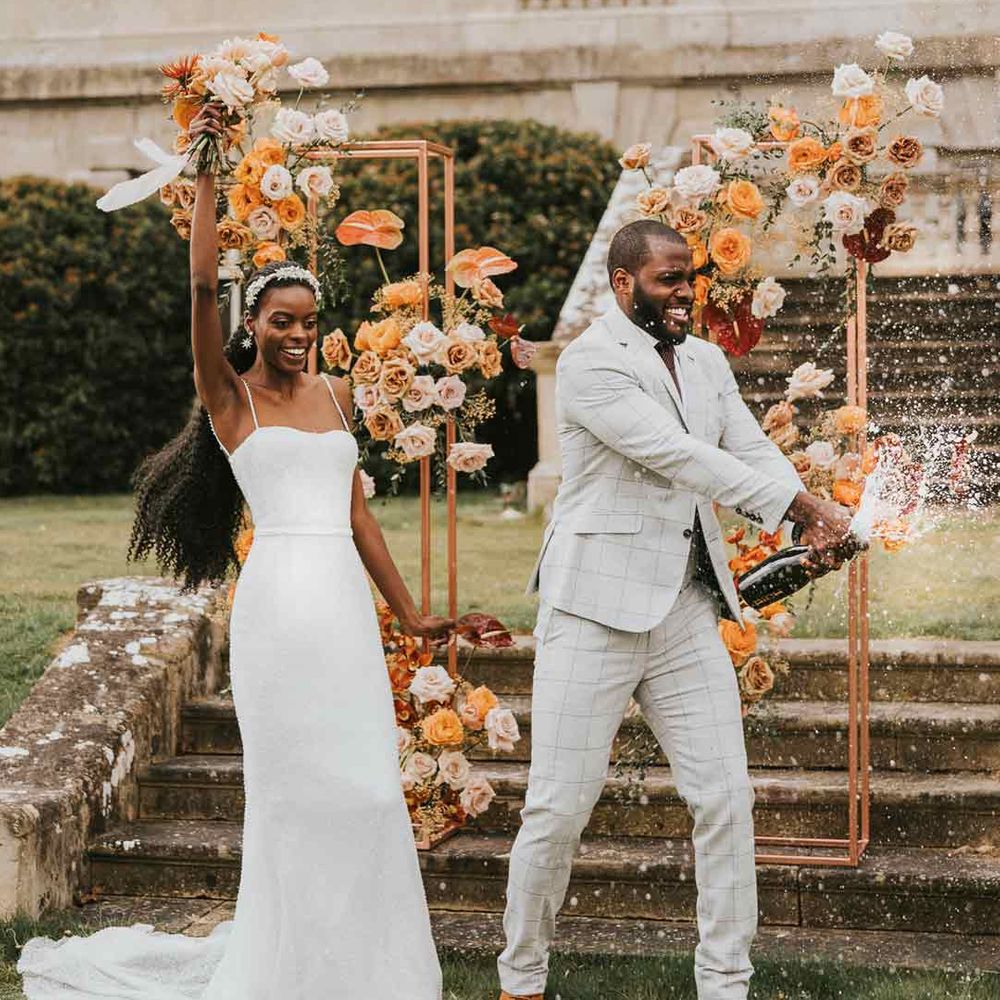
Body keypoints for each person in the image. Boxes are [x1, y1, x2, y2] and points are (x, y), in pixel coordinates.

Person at [18, 104, 450, 1000]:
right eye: (282, 321)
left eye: (310, 321)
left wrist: (411, 617)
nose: (299, 335)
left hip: (343, 610)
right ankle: (290, 973)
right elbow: (199, 287)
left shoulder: (333, 394)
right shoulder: (231, 401)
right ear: (253, 323)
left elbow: (361, 518)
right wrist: (209, 174)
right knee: (296, 801)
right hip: (281, 612)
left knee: (368, 794)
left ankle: (367, 971)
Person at [497, 219, 858, 1000]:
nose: (685, 292)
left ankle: (726, 984)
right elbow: (677, 454)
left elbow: (746, 446)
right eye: (667, 279)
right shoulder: (593, 364)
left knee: (725, 798)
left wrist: (809, 511)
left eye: (689, 277)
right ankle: (520, 980)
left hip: (686, 607)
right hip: (593, 609)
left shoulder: (703, 359)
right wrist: (797, 507)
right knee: (558, 810)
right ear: (624, 283)